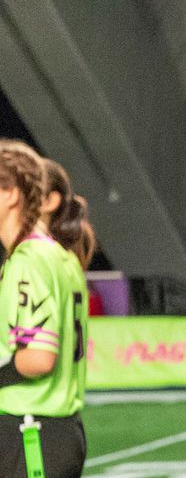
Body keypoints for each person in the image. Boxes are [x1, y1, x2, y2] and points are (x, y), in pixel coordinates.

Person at [0, 141, 90, 478]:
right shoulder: (59, 255)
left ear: (11, 194)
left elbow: (38, 357)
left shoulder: (30, 259)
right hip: (55, 429)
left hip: (30, 430)